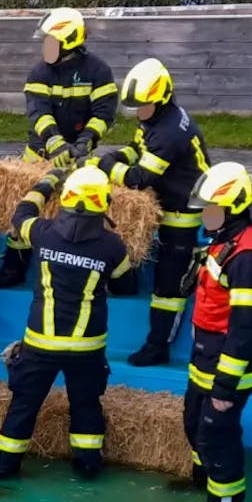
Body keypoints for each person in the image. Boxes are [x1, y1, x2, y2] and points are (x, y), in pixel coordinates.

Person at [0, 166, 137, 481]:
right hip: (87, 347)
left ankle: (2, 469)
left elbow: (21, 213)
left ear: (67, 198)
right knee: (85, 405)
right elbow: (127, 286)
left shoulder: (43, 232)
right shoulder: (113, 246)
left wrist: (46, 182)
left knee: (23, 405)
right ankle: (87, 468)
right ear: (104, 202)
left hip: (40, 342)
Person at [92, 57, 212, 367]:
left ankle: (158, 345)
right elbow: (138, 149)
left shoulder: (170, 132)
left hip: (182, 212)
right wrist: (118, 155)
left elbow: (139, 178)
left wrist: (107, 166)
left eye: (140, 107)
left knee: (168, 286)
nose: (136, 113)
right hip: (170, 202)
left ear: (159, 100)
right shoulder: (158, 118)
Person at [0, 7, 118, 289]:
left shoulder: (98, 71)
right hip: (39, 154)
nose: (46, 46)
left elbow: (104, 113)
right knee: (23, 208)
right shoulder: (39, 72)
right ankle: (13, 267)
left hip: (80, 156)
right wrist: (55, 144)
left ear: (69, 41)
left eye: (52, 41)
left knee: (79, 212)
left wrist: (85, 143)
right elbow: (39, 113)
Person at [183, 161, 252, 502]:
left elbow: (245, 328)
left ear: (232, 207)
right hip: (207, 358)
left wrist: (224, 388)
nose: (204, 214)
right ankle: (202, 483)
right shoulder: (227, 241)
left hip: (228, 366)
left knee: (217, 437)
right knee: (194, 424)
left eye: (210, 208)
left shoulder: (247, 256)